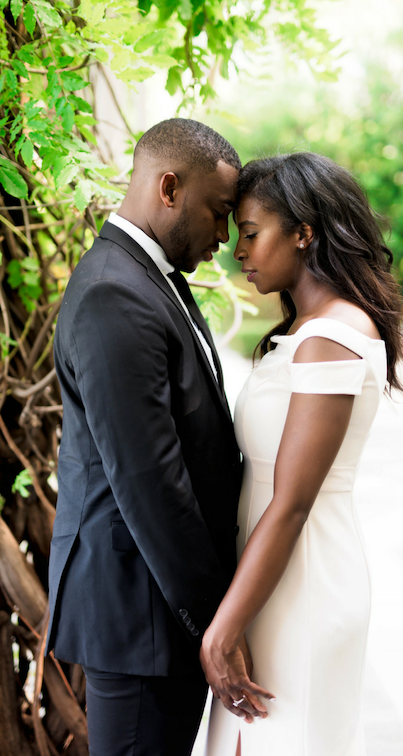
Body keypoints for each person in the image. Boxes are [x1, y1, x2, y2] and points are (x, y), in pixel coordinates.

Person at [201, 152, 403, 756]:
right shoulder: (308, 330)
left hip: (304, 579)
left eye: (249, 233)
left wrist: (223, 628)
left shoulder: (333, 338)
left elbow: (292, 502)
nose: (237, 250)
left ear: (304, 232)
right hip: (270, 576)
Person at [48, 119, 244, 756]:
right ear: (168, 188)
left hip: (154, 612)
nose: (225, 234)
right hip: (142, 618)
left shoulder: (144, 277)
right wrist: (216, 622)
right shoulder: (113, 292)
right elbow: (149, 482)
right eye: (218, 213)